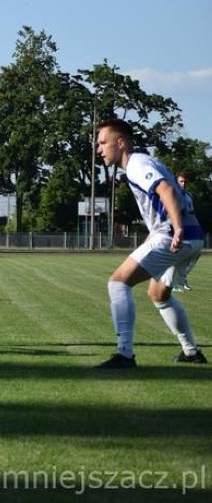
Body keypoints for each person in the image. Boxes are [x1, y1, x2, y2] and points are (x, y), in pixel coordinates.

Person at [94, 119, 205, 368]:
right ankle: (191, 352)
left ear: (120, 142)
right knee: (158, 294)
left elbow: (165, 189)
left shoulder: (136, 164)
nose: (99, 149)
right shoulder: (144, 161)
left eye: (103, 143)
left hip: (177, 234)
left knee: (118, 282)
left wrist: (176, 228)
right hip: (193, 236)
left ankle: (124, 355)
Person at [175, 172, 195, 291]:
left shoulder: (189, 195)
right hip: (178, 228)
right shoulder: (174, 194)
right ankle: (173, 284)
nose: (183, 184)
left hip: (190, 227)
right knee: (177, 255)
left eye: (185, 181)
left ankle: (182, 279)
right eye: (181, 181)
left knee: (194, 254)